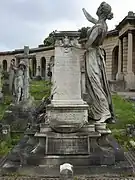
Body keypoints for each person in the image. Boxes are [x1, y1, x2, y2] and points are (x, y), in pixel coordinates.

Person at [82, 2, 115, 123]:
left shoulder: (98, 27)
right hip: (97, 55)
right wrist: (84, 12)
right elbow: (91, 19)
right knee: (97, 83)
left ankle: (104, 111)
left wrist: (76, 48)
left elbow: (89, 43)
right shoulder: (103, 24)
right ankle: (97, 110)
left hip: (92, 55)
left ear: (100, 11)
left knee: (95, 83)